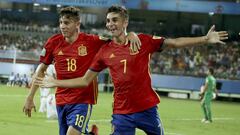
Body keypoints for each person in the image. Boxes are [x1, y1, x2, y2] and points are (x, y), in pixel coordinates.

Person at [35, 5, 228, 135]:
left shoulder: (142, 41)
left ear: (125, 22)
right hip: (121, 113)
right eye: (108, 21)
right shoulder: (104, 50)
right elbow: (85, 80)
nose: (110, 24)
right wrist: (55, 82)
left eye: (115, 20)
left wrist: (204, 39)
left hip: (147, 109)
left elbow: (174, 43)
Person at [22, 6, 140, 135]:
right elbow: (41, 70)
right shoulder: (53, 42)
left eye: (67, 23)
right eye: (61, 22)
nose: (62, 26)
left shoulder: (92, 41)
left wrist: (131, 34)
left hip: (83, 100)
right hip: (61, 100)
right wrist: (30, 96)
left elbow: (117, 40)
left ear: (77, 24)